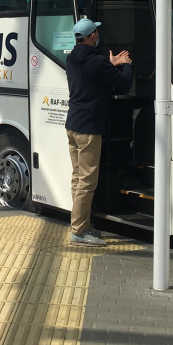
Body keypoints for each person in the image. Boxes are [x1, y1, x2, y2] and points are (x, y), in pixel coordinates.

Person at [64, 18, 133, 246]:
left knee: (77, 178)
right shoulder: (96, 62)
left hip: (73, 125)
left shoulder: (71, 59)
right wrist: (125, 63)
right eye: (96, 32)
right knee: (87, 181)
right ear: (92, 36)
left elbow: (91, 74)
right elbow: (124, 83)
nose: (98, 35)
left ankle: (80, 224)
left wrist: (109, 63)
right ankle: (79, 231)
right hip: (89, 128)